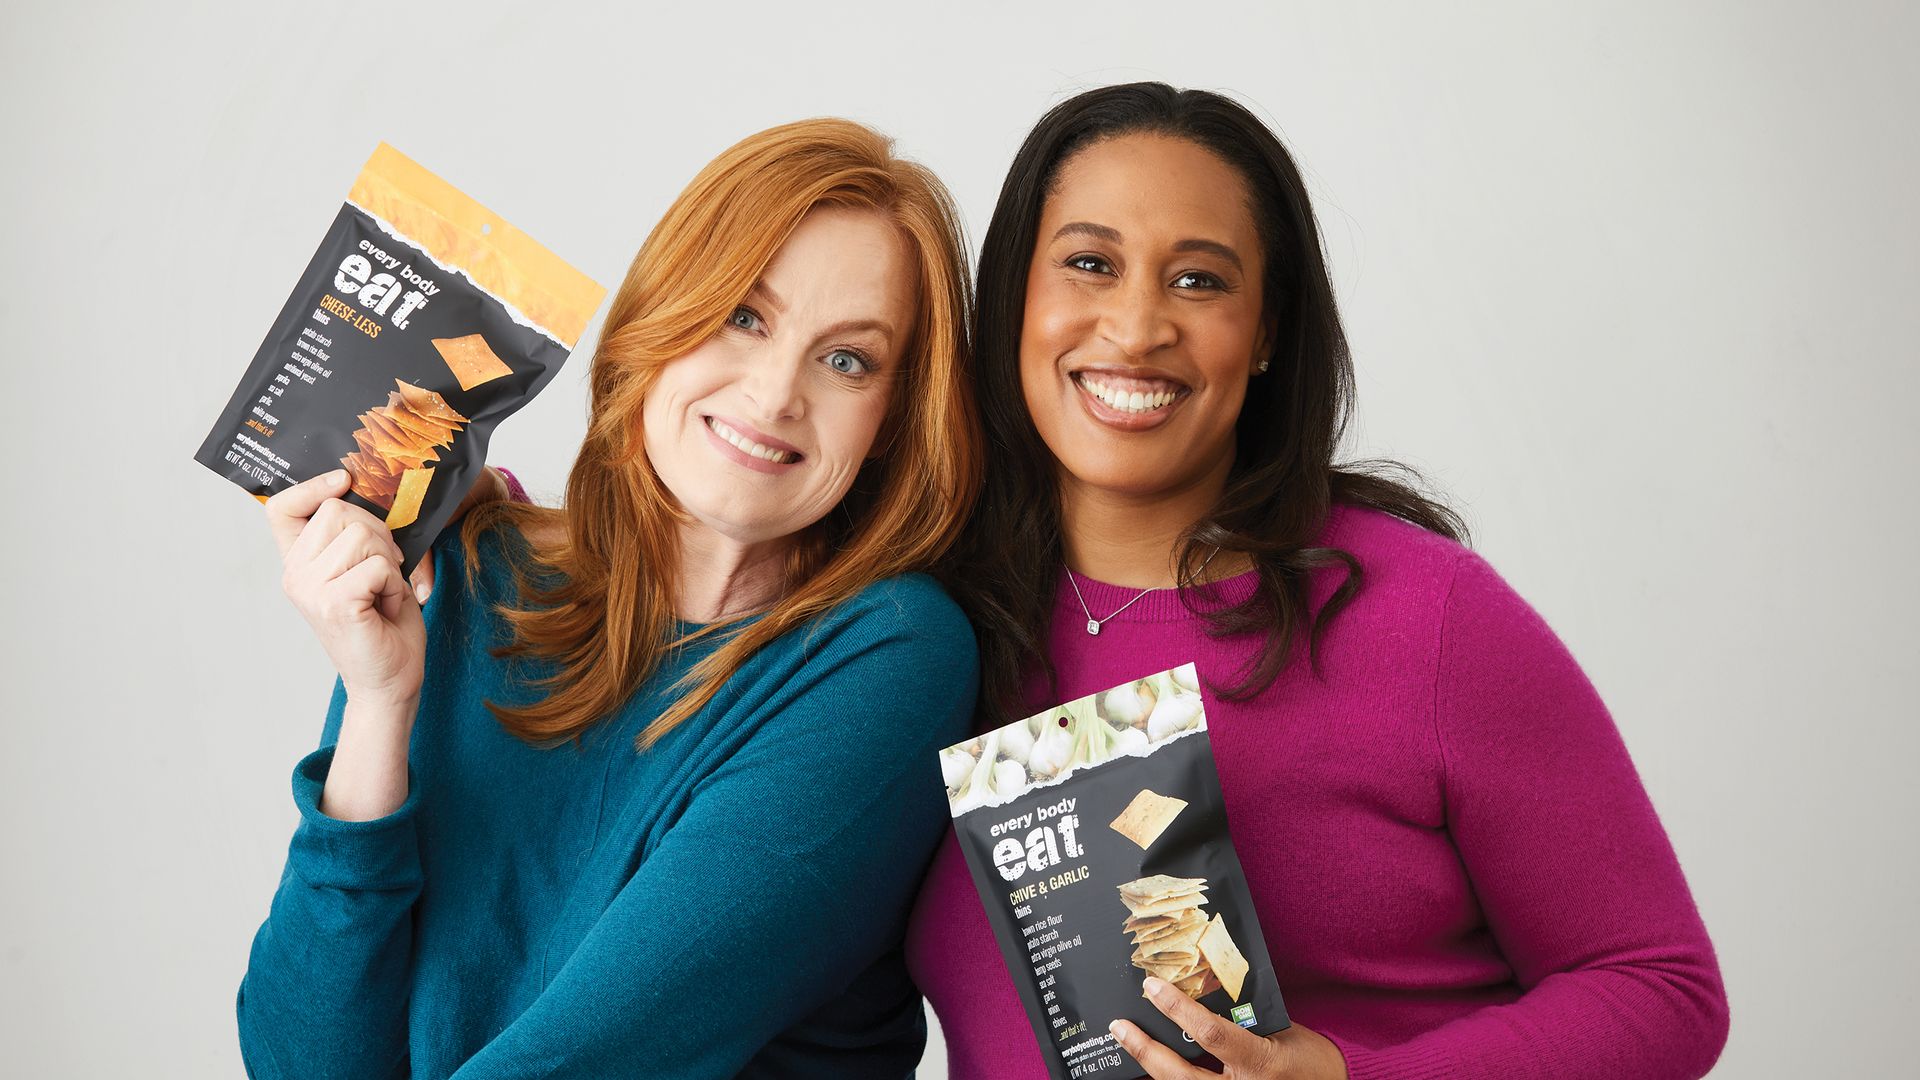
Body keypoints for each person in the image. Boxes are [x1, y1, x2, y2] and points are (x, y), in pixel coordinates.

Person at [905, 83, 1730, 1079]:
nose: (1134, 325)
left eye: (1200, 281)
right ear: (1012, 302)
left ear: (1266, 334)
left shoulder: (1424, 618)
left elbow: (1662, 988)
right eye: (1089, 263)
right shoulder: (926, 631)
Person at [236, 118, 985, 1079]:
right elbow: (300, 1061)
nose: (774, 393)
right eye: (743, 316)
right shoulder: (472, 572)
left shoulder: (891, 654)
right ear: (658, 322)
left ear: (890, 422)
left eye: (847, 360)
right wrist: (380, 707)